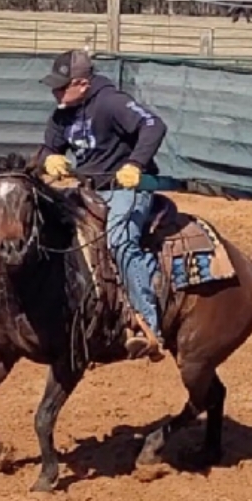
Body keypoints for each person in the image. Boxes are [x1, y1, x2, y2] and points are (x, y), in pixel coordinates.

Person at [35, 49, 169, 361]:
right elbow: (46, 148)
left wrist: (136, 163)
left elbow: (153, 125)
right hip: (89, 190)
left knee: (119, 239)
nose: (54, 91)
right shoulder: (62, 113)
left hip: (127, 188)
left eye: (60, 85)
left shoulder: (111, 102)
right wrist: (49, 159)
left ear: (81, 83)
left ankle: (149, 325)